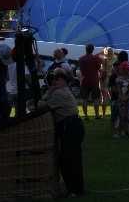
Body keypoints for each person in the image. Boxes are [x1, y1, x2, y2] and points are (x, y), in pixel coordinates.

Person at [40, 68, 85, 197]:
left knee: (69, 160)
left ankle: (74, 190)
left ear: (63, 80)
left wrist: (48, 92)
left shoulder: (59, 93)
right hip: (73, 126)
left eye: (56, 79)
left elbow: (41, 106)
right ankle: (74, 188)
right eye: (53, 79)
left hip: (69, 127)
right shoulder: (64, 90)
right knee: (71, 159)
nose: (54, 82)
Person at [78, 44, 102, 119]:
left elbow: (81, 70)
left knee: (84, 99)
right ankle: (97, 115)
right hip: (94, 80)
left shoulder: (81, 59)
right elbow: (98, 68)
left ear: (86, 49)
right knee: (96, 98)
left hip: (84, 80)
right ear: (93, 50)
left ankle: (85, 116)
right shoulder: (95, 58)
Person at [115, 61, 129, 138]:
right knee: (122, 116)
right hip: (121, 99)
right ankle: (125, 131)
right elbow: (119, 90)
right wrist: (122, 97)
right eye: (125, 69)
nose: (127, 71)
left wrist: (127, 97)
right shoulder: (118, 79)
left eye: (128, 69)